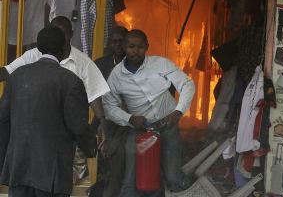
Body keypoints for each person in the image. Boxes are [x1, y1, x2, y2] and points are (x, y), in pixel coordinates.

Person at [0, 16, 110, 183]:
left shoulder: (83, 63)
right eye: (55, 32)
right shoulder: (32, 56)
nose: (58, 36)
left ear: (71, 34)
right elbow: (7, 73)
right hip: (31, 138)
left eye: (62, 33)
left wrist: (102, 121)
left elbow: (94, 96)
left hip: (59, 138)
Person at [102, 29, 195, 196]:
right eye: (131, 46)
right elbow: (109, 107)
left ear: (147, 47)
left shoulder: (161, 64)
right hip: (139, 131)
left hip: (168, 126)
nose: (135, 51)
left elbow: (187, 85)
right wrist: (130, 118)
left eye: (140, 47)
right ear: (124, 46)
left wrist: (178, 112)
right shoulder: (116, 76)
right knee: (131, 179)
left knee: (172, 176)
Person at [90, 25, 129, 197]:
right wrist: (102, 121)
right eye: (114, 41)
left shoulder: (136, 63)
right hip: (103, 118)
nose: (118, 45)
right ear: (109, 43)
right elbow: (94, 93)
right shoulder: (100, 63)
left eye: (121, 41)